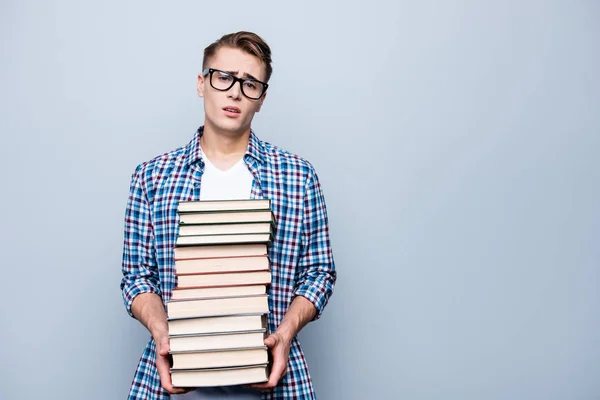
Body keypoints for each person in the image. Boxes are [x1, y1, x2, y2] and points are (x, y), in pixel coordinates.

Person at [120, 31, 337, 400]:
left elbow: (319, 272)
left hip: (273, 378)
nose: (235, 92)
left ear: (262, 99)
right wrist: (162, 333)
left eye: (250, 83)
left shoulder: (298, 176)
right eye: (224, 78)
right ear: (201, 84)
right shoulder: (152, 177)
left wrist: (284, 334)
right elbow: (137, 277)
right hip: (175, 380)